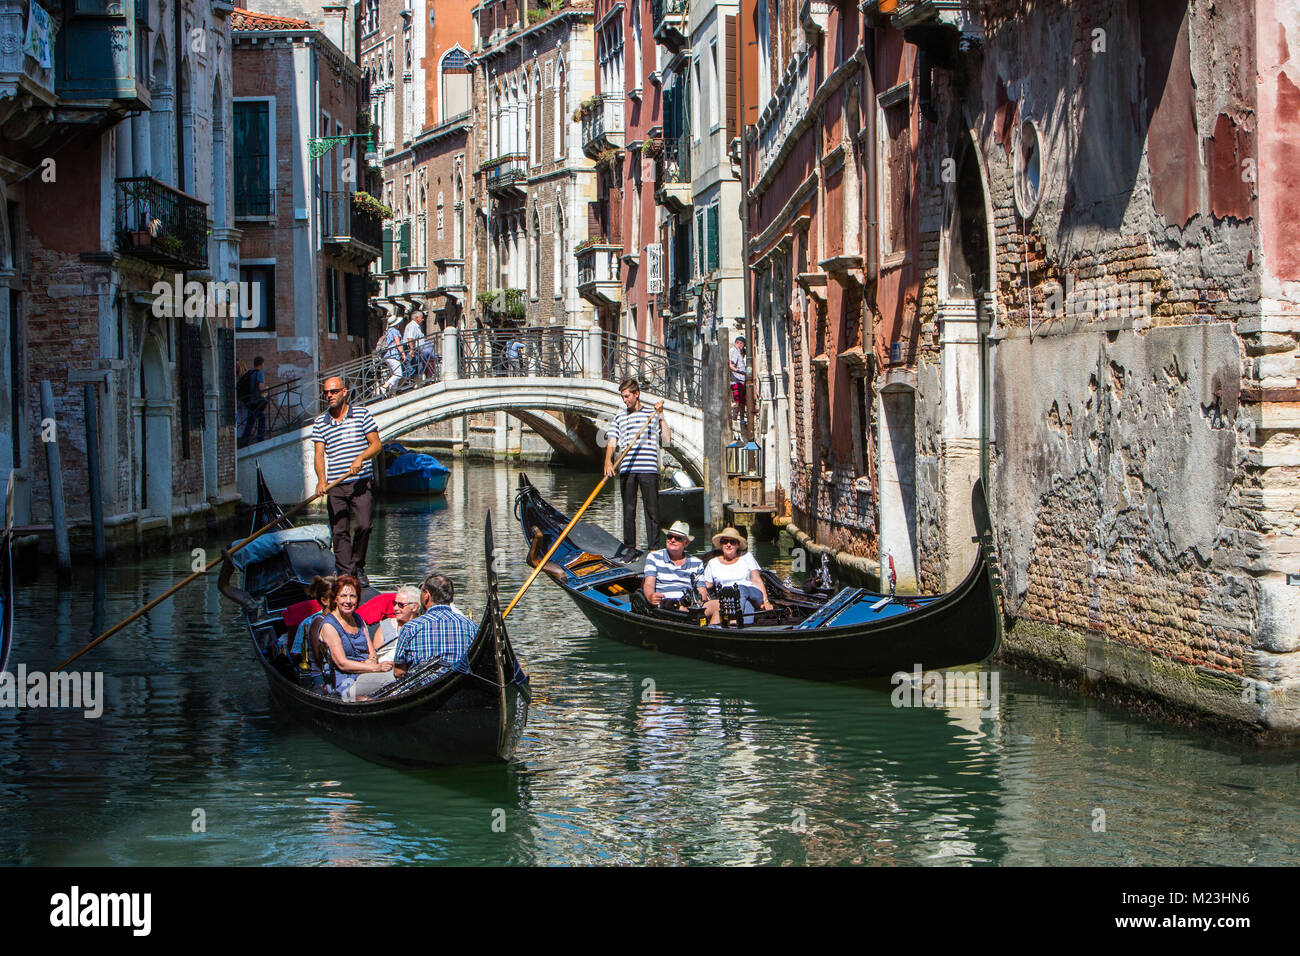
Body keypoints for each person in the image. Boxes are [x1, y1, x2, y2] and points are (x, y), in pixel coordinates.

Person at [312, 375, 382, 583]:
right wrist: (321, 480)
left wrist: (361, 457)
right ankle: (346, 573)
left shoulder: (362, 415)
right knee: (339, 530)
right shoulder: (320, 422)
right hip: (336, 484)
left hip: (360, 482)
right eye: (326, 393)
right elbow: (319, 454)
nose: (329, 396)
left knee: (364, 525)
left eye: (333, 392)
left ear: (345, 392)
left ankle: (358, 566)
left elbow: (376, 445)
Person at [604, 378, 670, 552]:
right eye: (623, 397)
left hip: (648, 468)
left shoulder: (652, 414)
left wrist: (661, 415)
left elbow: (667, 440)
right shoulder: (620, 416)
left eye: (627, 396)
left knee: (652, 511)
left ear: (636, 394)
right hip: (627, 468)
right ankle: (630, 548)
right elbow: (612, 439)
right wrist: (608, 460)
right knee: (628, 510)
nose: (625, 400)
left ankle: (654, 549)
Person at [344, 585, 424, 700]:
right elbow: (376, 655)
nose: (395, 608)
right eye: (394, 604)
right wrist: (376, 662)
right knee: (353, 690)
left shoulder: (423, 627)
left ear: (414, 607)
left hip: (406, 673)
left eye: (400, 605)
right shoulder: (385, 625)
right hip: (382, 671)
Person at [317, 575, 392, 695]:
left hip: (367, 672)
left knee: (398, 673)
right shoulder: (329, 626)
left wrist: (372, 660)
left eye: (352, 596)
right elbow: (342, 663)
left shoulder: (357, 618)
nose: (348, 601)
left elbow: (371, 650)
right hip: (346, 681)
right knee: (390, 679)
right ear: (335, 599)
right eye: (343, 596)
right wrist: (376, 668)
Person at [391, 572, 477, 678]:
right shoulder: (471, 626)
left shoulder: (410, 628)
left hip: (423, 689)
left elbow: (399, 672)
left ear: (427, 595)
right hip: (461, 683)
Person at [699, 526, 773, 625]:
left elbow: (757, 580)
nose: (728, 545)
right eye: (725, 541)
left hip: (752, 593)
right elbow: (706, 585)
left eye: (732, 542)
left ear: (738, 545)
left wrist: (766, 601)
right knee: (746, 606)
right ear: (721, 545)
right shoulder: (713, 563)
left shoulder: (747, 557)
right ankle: (737, 629)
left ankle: (733, 620)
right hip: (729, 600)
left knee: (739, 589)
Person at [642, 520, 704, 609]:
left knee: (716, 605)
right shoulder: (654, 557)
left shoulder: (697, 563)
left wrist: (696, 602)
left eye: (677, 538)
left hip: (689, 604)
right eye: (669, 537)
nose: (672, 540)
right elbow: (649, 584)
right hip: (666, 604)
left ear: (686, 543)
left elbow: (701, 590)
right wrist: (650, 596)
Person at [237, 355, 268, 445]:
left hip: (249, 401)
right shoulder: (259, 373)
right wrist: (266, 391)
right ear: (262, 364)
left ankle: (245, 440)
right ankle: (260, 438)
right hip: (256, 401)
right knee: (261, 418)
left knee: (251, 420)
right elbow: (261, 387)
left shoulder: (250, 373)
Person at [377, 315, 405, 396]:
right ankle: (385, 386)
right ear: (396, 324)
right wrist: (403, 353)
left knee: (394, 374)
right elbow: (398, 343)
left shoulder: (388, 331)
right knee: (398, 374)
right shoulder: (395, 331)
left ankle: (393, 393)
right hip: (393, 355)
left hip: (386, 356)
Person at [402, 311, 425, 381]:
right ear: (416, 318)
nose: (423, 319)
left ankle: (416, 386)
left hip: (416, 351)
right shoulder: (412, 326)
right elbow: (410, 337)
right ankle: (399, 387)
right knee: (410, 370)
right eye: (421, 318)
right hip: (412, 350)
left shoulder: (417, 326)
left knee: (418, 369)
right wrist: (412, 350)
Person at [728, 336, 747, 423]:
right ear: (739, 343)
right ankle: (733, 417)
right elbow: (731, 365)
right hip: (736, 380)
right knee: (737, 401)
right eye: (742, 344)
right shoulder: (734, 351)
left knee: (741, 401)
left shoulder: (737, 352)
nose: (742, 347)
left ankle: (740, 419)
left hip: (740, 380)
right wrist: (740, 372)